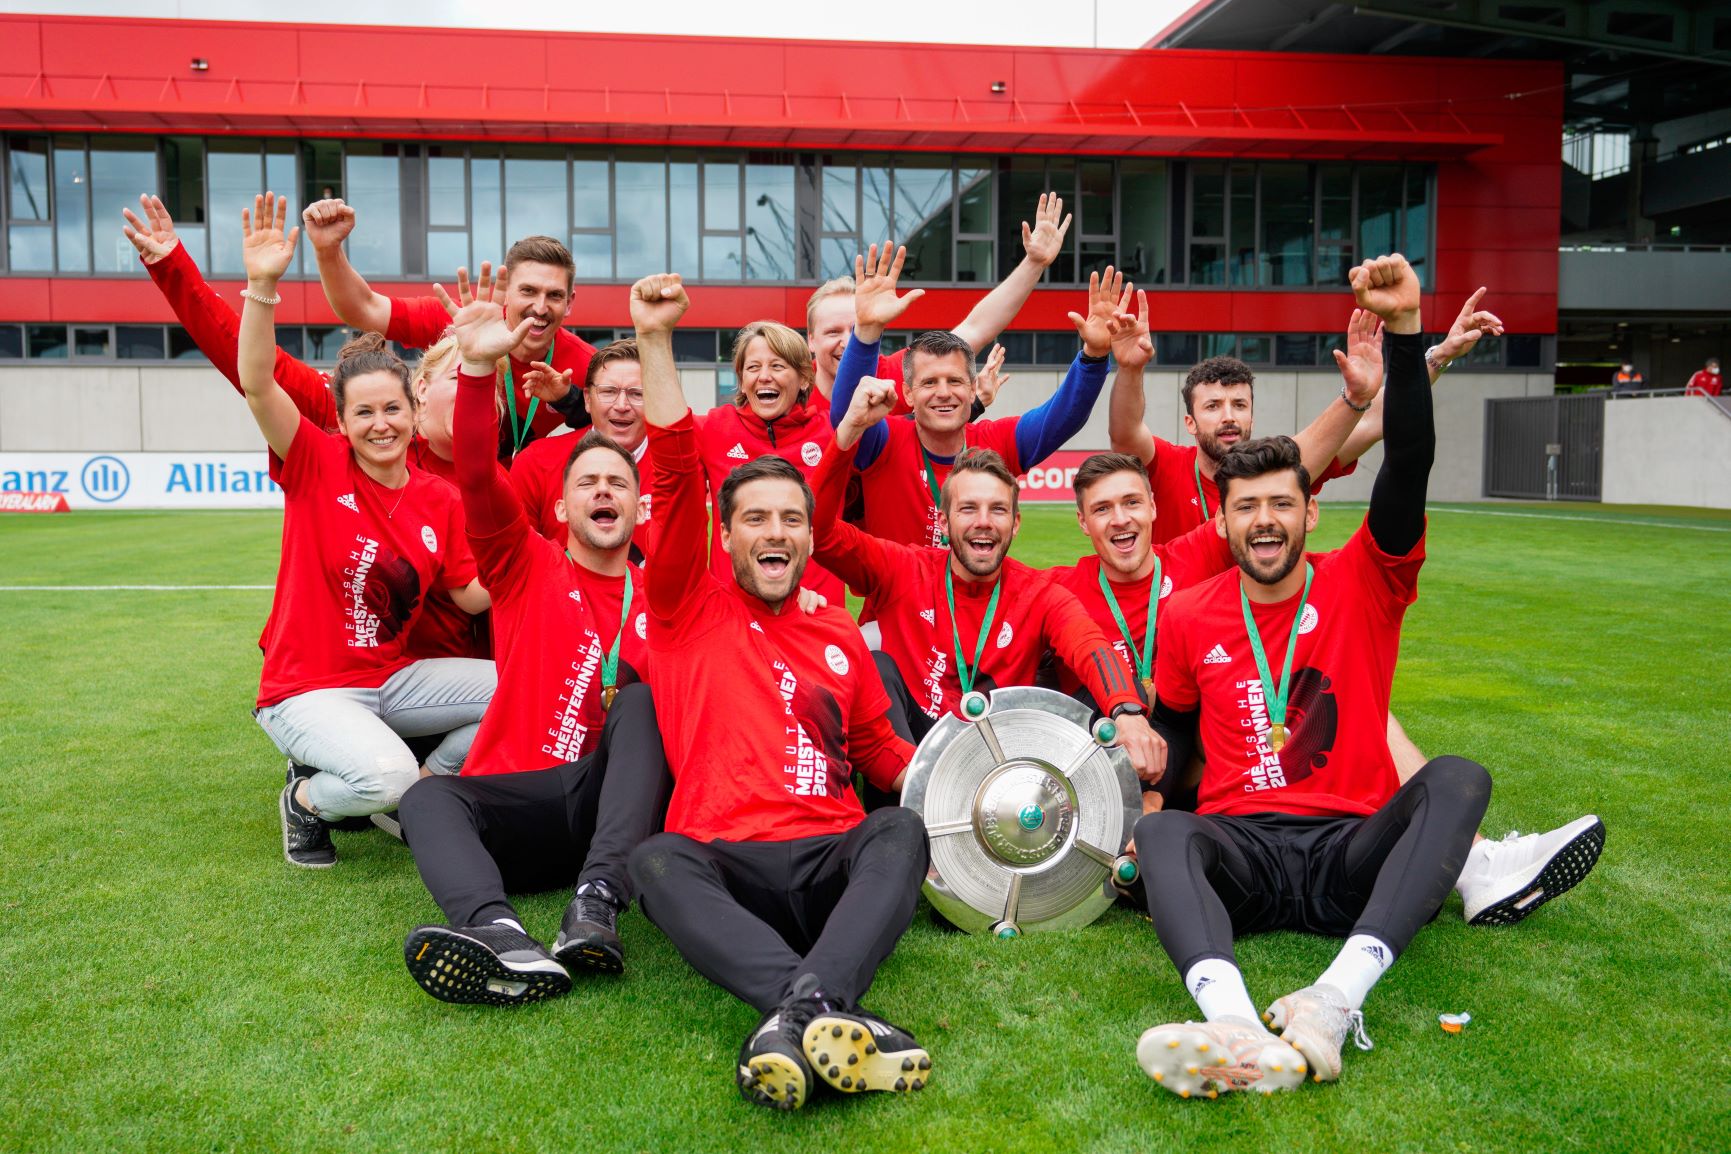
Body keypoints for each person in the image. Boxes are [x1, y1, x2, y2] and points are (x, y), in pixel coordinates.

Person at [1129, 255, 1599, 1100]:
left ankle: (1331, 1002)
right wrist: (1150, 804)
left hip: (1349, 852)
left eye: (1280, 504)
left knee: (1457, 777)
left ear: (1310, 510)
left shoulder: (1364, 577)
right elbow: (1175, 732)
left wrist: (1411, 332)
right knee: (1164, 834)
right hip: (1245, 855)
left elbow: (1408, 458)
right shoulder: (1192, 610)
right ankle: (1230, 1019)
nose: (1264, 522)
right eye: (1246, 508)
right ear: (1223, 519)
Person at [624, 271, 933, 1111]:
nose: (776, 533)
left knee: (900, 829)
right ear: (726, 537)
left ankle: (795, 1011)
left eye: (791, 520)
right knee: (653, 858)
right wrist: (654, 340)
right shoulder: (686, 600)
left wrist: (955, 787)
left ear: (808, 537)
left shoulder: (837, 630)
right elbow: (674, 461)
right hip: (726, 865)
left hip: (826, 855)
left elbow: (876, 750)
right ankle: (826, 1007)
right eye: (756, 519)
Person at [394, 275, 670, 1001]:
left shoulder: (662, 598)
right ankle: (500, 937)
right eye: (588, 482)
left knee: (640, 706)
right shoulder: (524, 562)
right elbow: (479, 474)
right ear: (559, 503)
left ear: (641, 509)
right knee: (425, 799)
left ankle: (597, 904)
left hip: (601, 810)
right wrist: (480, 371)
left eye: (618, 482)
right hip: (511, 805)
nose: (604, 491)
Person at [234, 193, 496, 868]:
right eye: (363, 413)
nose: (381, 423)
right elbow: (258, 384)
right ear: (342, 421)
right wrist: (263, 286)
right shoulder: (315, 463)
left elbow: (473, 596)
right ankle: (308, 801)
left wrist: (566, 569)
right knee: (384, 778)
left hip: (392, 680)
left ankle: (430, 791)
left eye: (393, 407)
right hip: (306, 688)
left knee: (519, 686)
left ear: (413, 410)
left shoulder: (438, 497)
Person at [812, 384, 1167, 791]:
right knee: (877, 666)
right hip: (910, 771)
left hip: (1003, 769)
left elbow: (1090, 646)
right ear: (943, 523)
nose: (984, 521)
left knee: (1100, 695)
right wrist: (848, 434)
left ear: (1015, 524)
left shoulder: (1038, 592)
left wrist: (1127, 711)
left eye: (998, 509)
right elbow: (819, 533)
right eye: (968, 509)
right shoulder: (901, 567)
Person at [828, 247, 1124, 549]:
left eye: (954, 381)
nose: (943, 392)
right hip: (897, 597)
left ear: (972, 389)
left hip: (976, 596)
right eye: (929, 382)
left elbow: (1062, 418)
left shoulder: (995, 443)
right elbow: (848, 415)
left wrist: (1094, 356)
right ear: (908, 393)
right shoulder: (885, 442)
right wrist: (866, 331)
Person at [302, 199, 594, 459]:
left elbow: (624, 430)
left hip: (504, 497)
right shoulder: (460, 323)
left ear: (569, 303)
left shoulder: (586, 366)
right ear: (506, 292)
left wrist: (569, 401)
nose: (541, 308)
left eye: (554, 295)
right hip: (432, 486)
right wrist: (328, 250)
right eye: (528, 291)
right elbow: (364, 308)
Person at [805, 191, 1072, 410]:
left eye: (856, 328)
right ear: (810, 340)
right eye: (832, 332)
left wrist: (1033, 264)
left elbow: (976, 327)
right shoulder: (791, 389)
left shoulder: (897, 374)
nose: (846, 341)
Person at [693, 321, 844, 601]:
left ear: (804, 378)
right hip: (733, 613)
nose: (764, 376)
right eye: (752, 367)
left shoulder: (833, 432)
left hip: (815, 610)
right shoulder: (714, 428)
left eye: (777, 366)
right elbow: (660, 426)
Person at [506, 340, 656, 557]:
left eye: (637, 394)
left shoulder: (679, 466)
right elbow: (515, 561)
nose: (622, 405)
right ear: (587, 399)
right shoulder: (536, 462)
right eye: (608, 391)